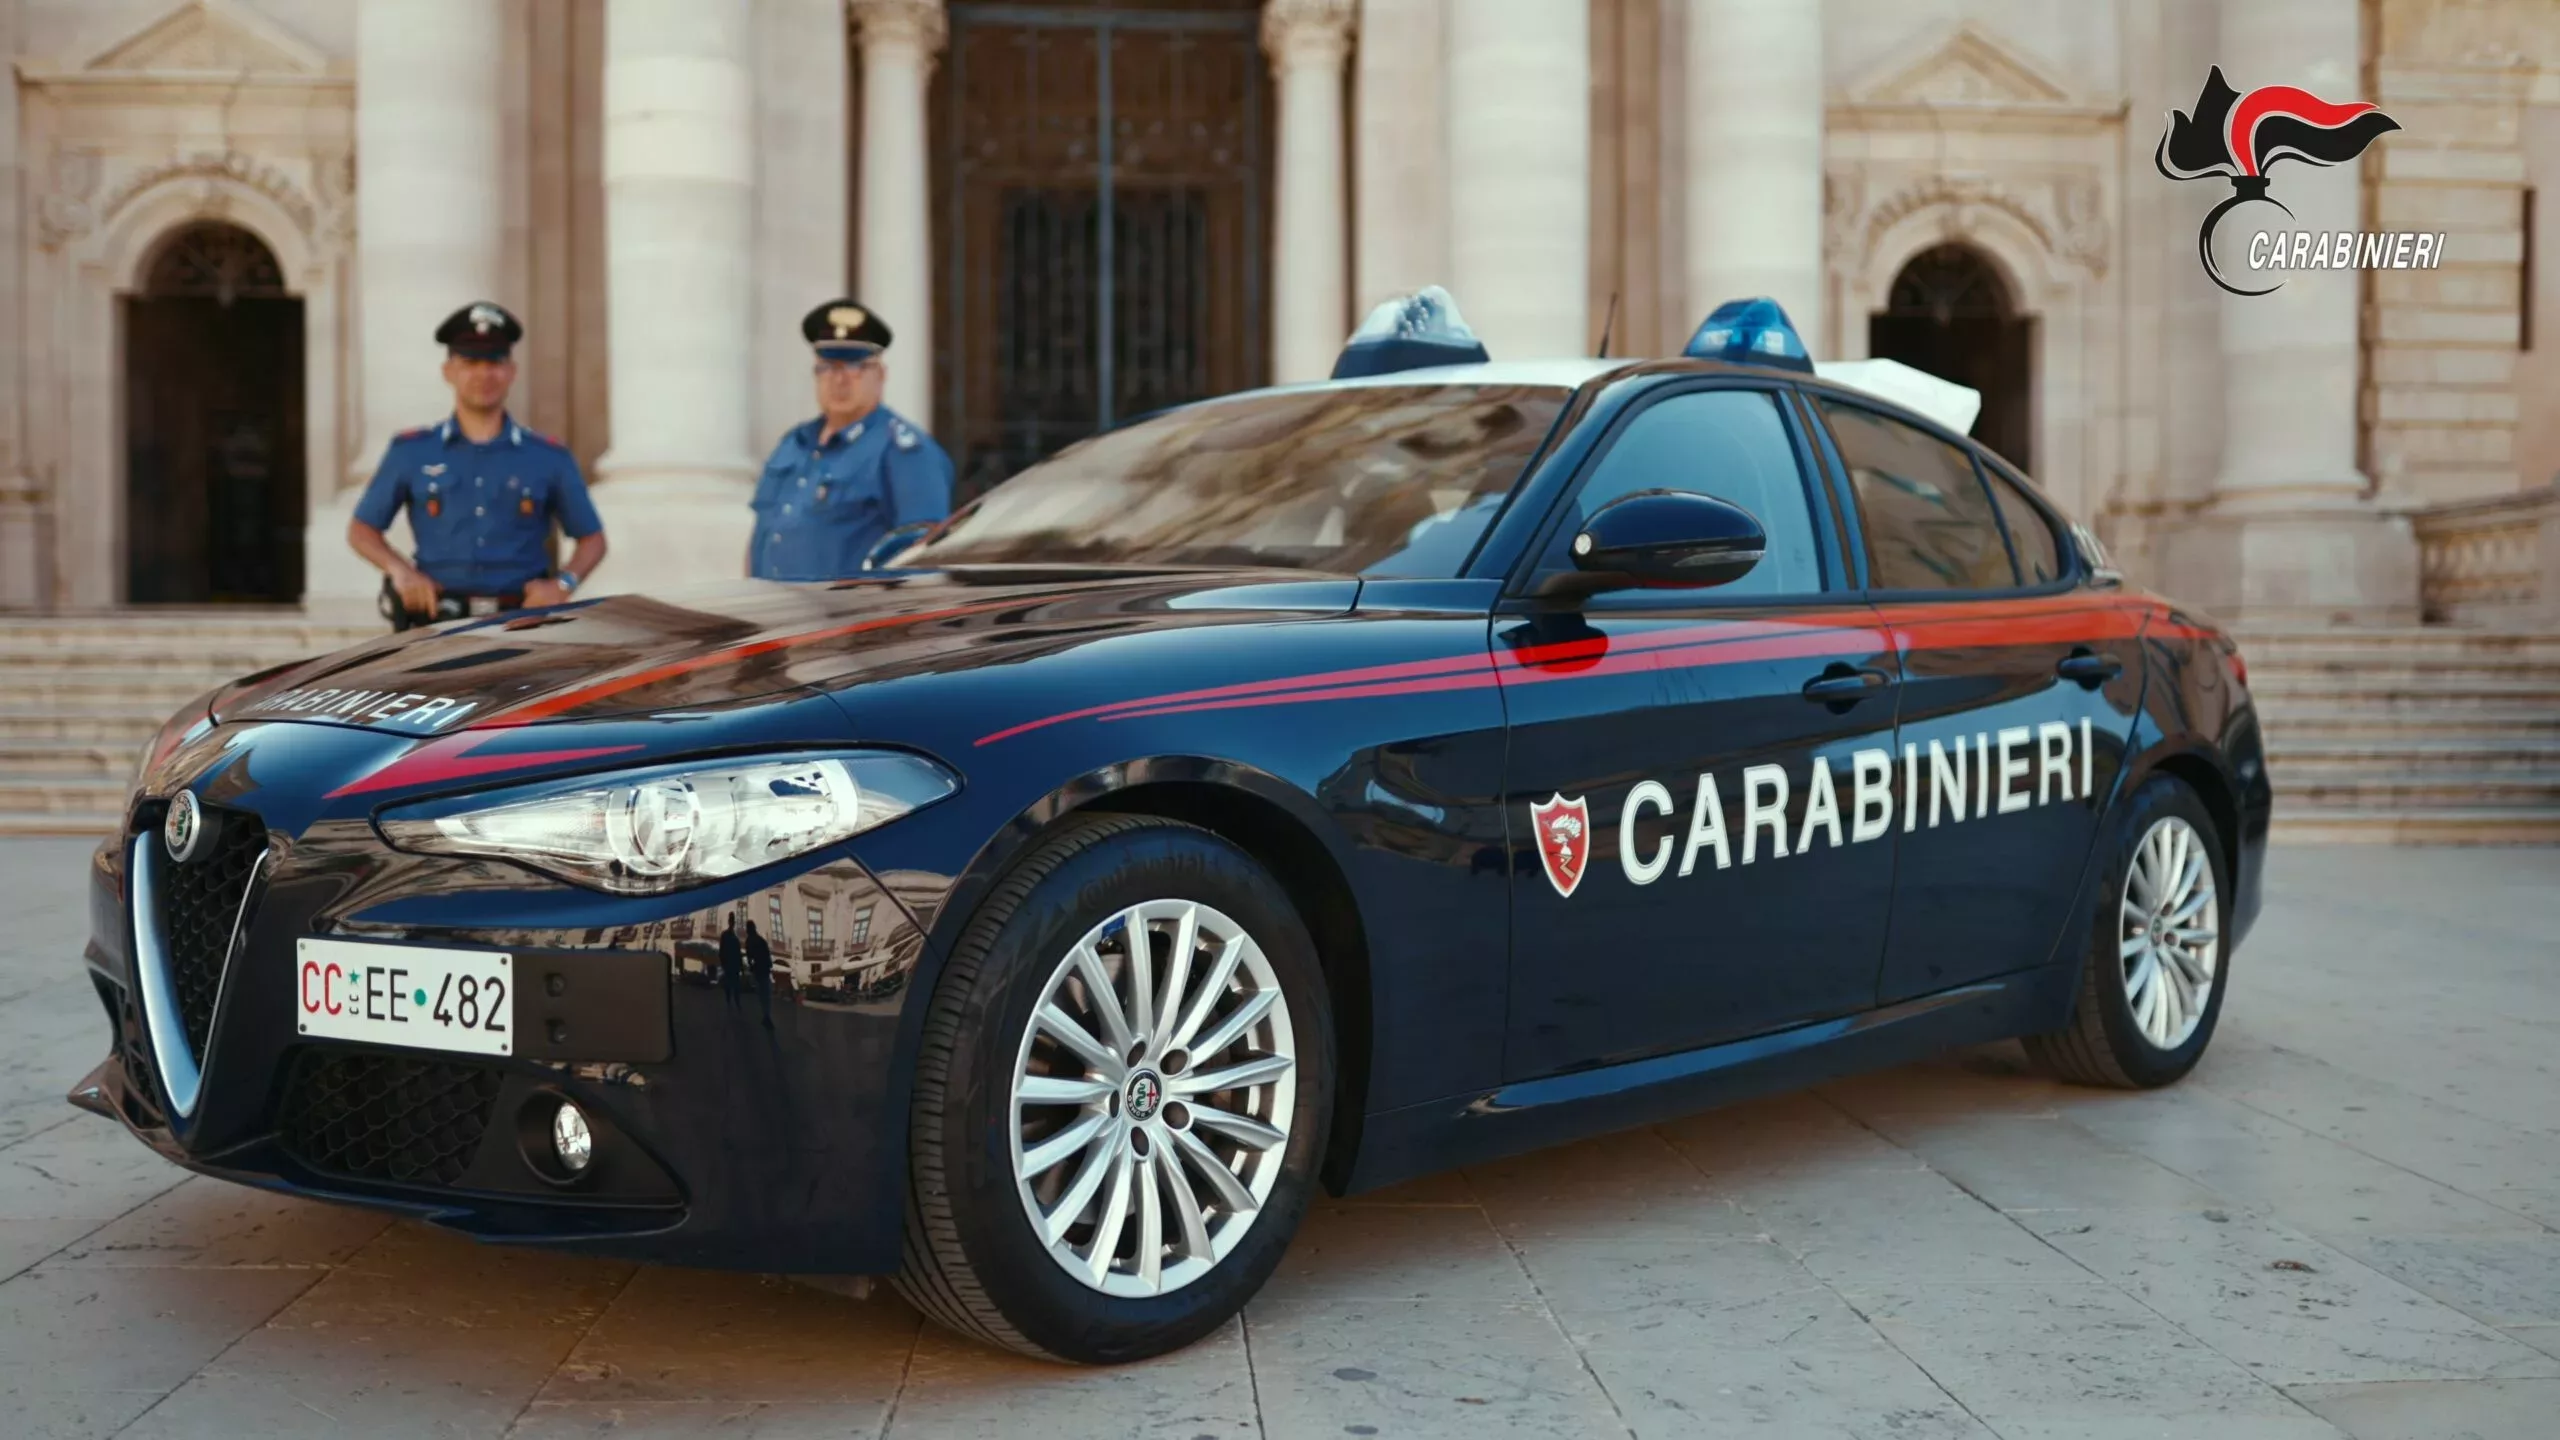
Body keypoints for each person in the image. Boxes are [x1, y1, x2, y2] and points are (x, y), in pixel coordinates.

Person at [349, 301, 608, 628]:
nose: (484, 374)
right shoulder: (411, 452)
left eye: (495, 362)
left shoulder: (547, 456)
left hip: (523, 625)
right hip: (435, 625)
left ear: (511, 372)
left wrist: (563, 585)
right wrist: (401, 572)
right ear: (449, 372)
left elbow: (592, 539)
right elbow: (361, 530)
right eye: (471, 362)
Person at [748, 299, 953, 580]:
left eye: (854, 367)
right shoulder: (793, 444)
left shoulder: (904, 452)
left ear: (880, 375)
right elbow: (763, 534)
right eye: (828, 367)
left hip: (849, 620)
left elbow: (920, 560)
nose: (839, 380)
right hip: (776, 617)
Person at [744, 920, 775, 1029]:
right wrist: (769, 964)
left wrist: (751, 967)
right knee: (766, 993)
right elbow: (767, 953)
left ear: (748, 929)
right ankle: (767, 1016)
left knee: (762, 994)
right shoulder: (761, 940)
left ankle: (766, 1016)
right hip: (764, 968)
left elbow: (749, 958)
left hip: (758, 969)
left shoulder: (749, 941)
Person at [718, 913, 745, 1013]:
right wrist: (723, 963)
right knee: (729, 985)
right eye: (731, 921)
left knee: (736, 986)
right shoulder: (725, 935)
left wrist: (741, 967)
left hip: (734, 966)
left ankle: (736, 1003)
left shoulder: (734, 937)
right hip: (729, 965)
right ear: (729, 922)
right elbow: (721, 950)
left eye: (733, 921)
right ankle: (730, 1002)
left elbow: (739, 954)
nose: (732, 923)